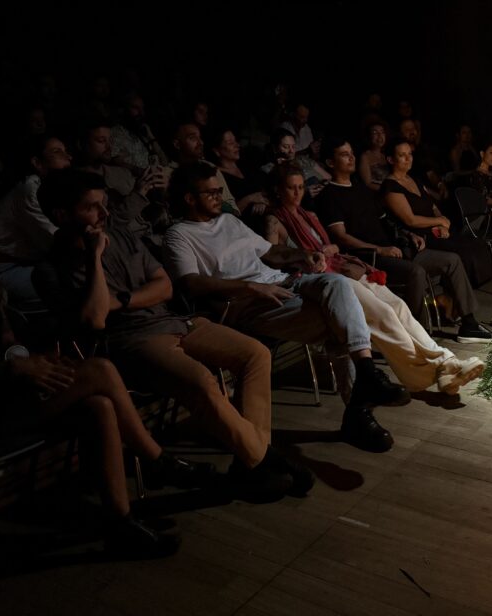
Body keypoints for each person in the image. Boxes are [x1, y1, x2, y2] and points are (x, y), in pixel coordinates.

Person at [0, 178, 189, 557]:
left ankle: (120, 523)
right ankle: (156, 460)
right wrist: (16, 371)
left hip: (1, 389)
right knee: (100, 370)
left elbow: (5, 342)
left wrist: (26, 360)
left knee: (99, 405)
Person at [35, 169, 311, 500]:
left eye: (105, 204)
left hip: (174, 320)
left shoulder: (121, 236)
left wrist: (120, 300)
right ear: (62, 215)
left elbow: (165, 286)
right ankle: (267, 460)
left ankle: (250, 461)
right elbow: (95, 319)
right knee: (200, 380)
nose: (105, 214)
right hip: (131, 341)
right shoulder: (50, 269)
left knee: (255, 354)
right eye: (92, 207)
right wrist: (94, 257)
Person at [163, 161, 408, 453]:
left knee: (338, 285)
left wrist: (303, 255)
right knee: (337, 320)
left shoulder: (229, 222)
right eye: (211, 193)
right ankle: (358, 409)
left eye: (219, 191)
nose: (219, 197)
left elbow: (271, 252)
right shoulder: (179, 235)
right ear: (190, 198)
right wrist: (250, 287)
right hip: (245, 303)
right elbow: (191, 283)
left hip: (281, 283)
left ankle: (365, 373)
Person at [266, 165, 484, 395]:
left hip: (341, 267)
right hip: (319, 280)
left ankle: (444, 364)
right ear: (279, 190)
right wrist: (304, 257)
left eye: (301, 187)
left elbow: (333, 245)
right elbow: (271, 259)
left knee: (397, 305)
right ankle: (438, 368)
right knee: (384, 315)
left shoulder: (308, 215)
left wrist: (329, 248)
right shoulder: (274, 221)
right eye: (291, 188)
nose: (297, 193)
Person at [317, 136, 492, 339]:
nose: (351, 158)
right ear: (330, 162)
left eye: (352, 153)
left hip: (398, 248)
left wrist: (408, 235)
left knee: (452, 260)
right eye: (344, 155)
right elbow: (341, 237)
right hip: (370, 256)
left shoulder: (361, 189)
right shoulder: (329, 196)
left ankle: (469, 324)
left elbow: (386, 220)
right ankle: (419, 332)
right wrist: (379, 249)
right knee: (415, 272)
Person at [380, 139, 492, 340]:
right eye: (402, 155)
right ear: (391, 159)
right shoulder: (391, 188)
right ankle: (461, 314)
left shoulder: (414, 180)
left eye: (410, 154)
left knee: (474, 245)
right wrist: (438, 221)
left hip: (432, 232)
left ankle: (461, 312)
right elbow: (410, 219)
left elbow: (432, 205)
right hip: (416, 243)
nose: (408, 159)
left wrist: (441, 223)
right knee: (460, 255)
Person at [0, 134, 72, 304]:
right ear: (37, 162)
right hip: (7, 268)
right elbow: (54, 241)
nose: (68, 157)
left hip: (33, 263)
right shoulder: (29, 190)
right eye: (57, 152)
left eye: (66, 151)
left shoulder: (53, 188)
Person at [210, 125, 270, 221]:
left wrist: (262, 200)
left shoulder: (246, 165)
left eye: (235, 141)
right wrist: (249, 199)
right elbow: (227, 213)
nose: (237, 145)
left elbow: (266, 185)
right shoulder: (217, 176)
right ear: (217, 151)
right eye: (230, 143)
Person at [358, 120, 389, 191]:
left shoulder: (386, 155)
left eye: (382, 132)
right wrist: (387, 190)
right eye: (375, 132)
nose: (380, 135)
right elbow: (367, 183)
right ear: (368, 136)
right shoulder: (365, 156)